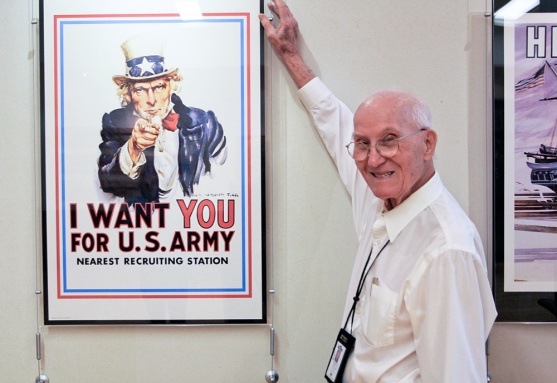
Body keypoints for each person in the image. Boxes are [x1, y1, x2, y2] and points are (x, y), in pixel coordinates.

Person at [259, 1, 497, 382]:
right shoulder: (380, 199)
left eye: (389, 141)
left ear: (428, 144)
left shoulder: (445, 251)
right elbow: (335, 125)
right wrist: (290, 55)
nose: (372, 159)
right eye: (364, 144)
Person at [98, 35, 227, 204]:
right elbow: (108, 183)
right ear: (128, 94)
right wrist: (133, 148)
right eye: (140, 90)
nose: (151, 100)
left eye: (159, 87)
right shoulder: (114, 123)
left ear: (171, 86)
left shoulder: (205, 123)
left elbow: (223, 179)